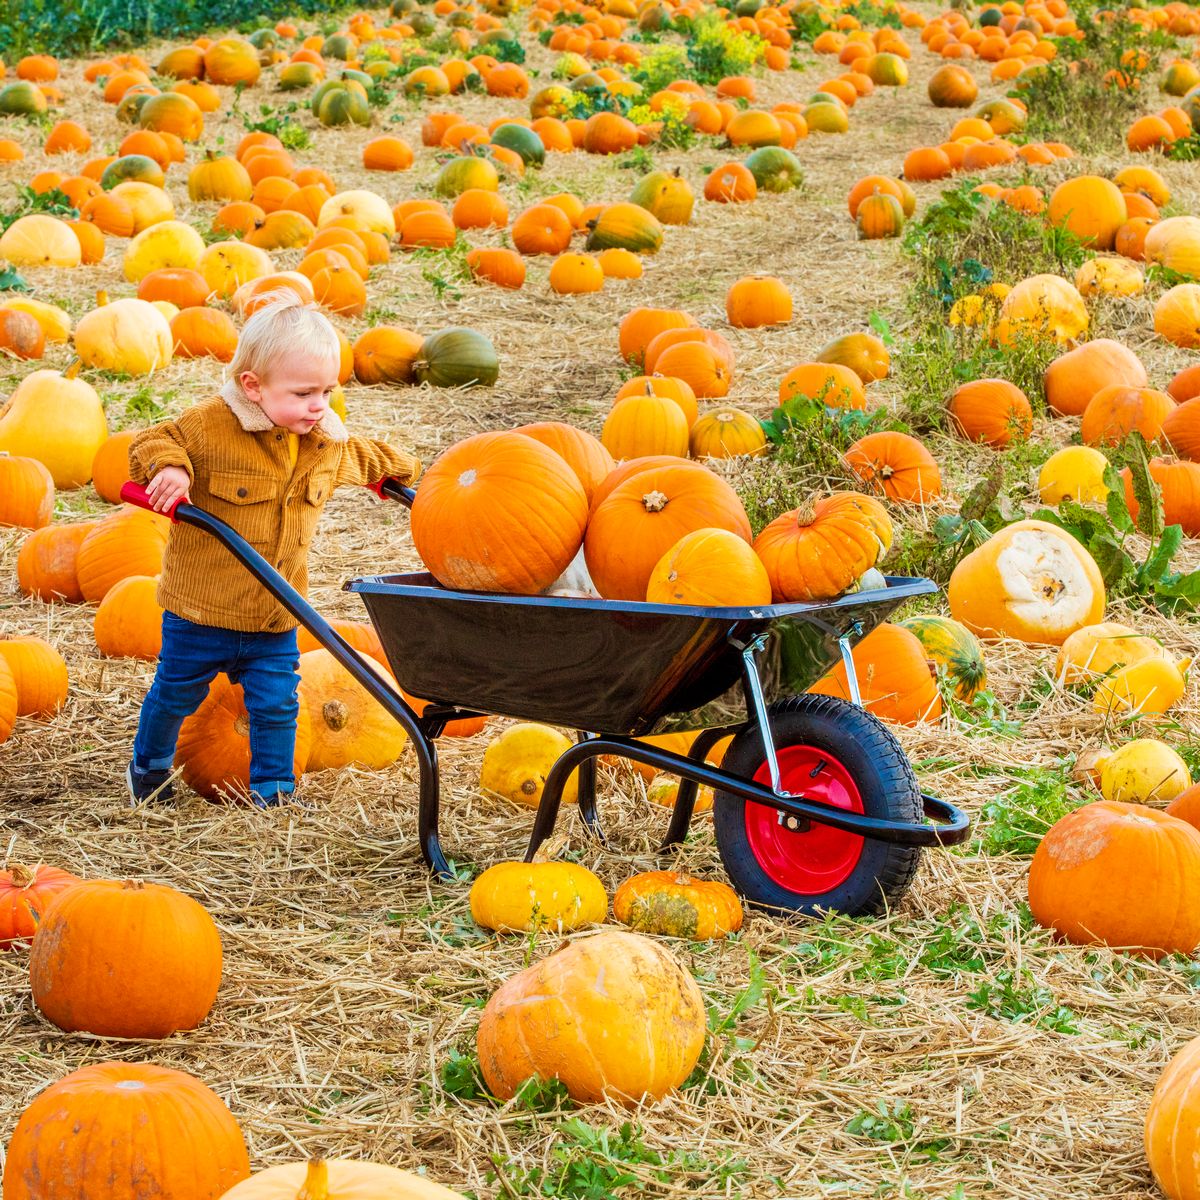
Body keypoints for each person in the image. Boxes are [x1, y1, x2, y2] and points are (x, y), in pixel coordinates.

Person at [125, 293, 420, 807]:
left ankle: (273, 792)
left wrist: (407, 471)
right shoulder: (210, 427)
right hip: (202, 610)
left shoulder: (323, 441)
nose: (319, 405)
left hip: (273, 613)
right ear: (253, 386)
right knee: (176, 695)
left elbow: (362, 458)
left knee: (279, 705)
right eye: (304, 392)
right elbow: (151, 441)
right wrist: (170, 468)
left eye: (328, 390)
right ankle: (148, 770)